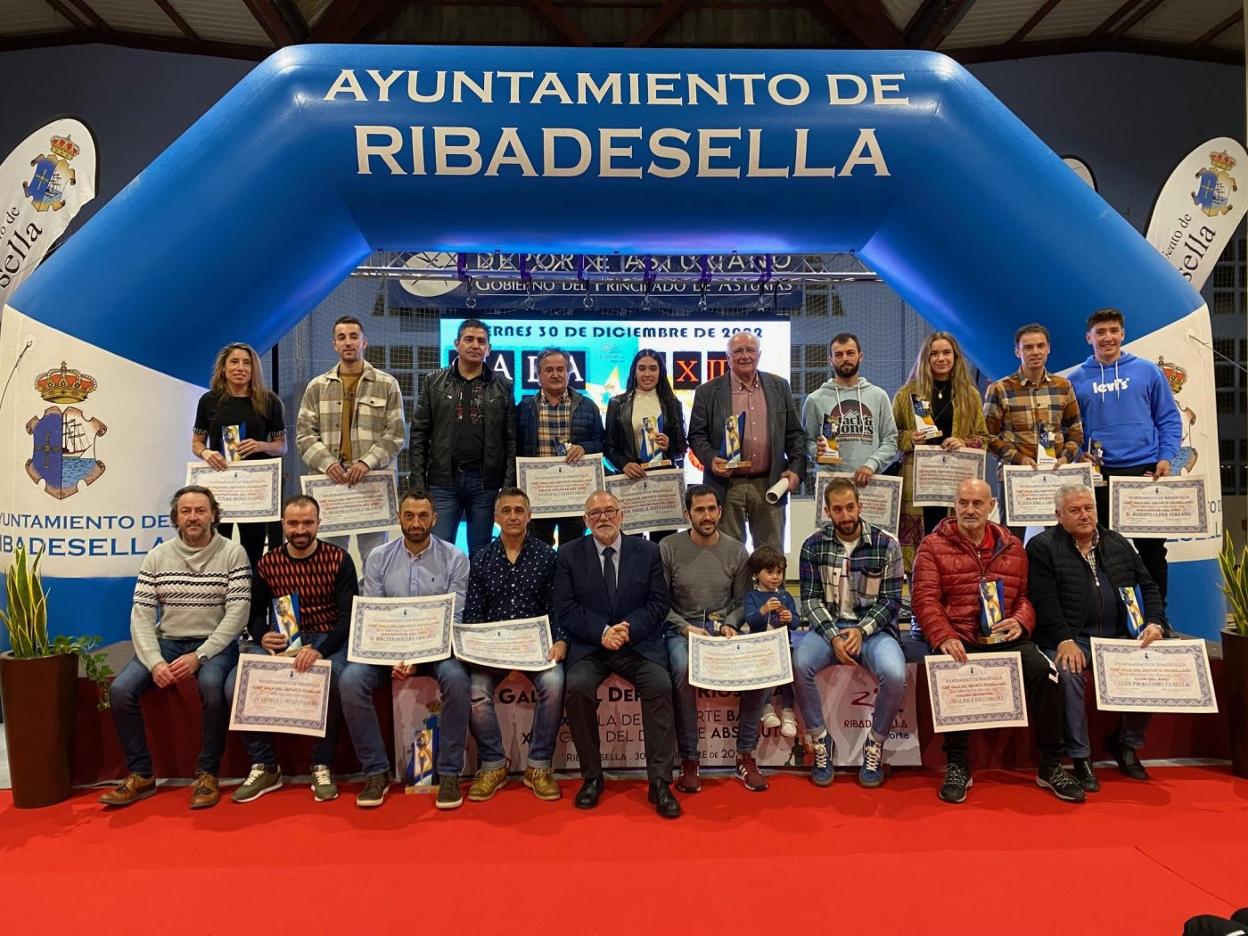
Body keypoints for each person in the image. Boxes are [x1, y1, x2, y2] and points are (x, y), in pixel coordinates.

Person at [911, 478, 1084, 805]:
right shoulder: (932, 546)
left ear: (992, 506)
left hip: (1004, 637)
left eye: (978, 503)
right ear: (954, 505)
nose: (970, 510)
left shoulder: (1012, 545)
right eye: (963, 503)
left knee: (1047, 674)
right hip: (959, 636)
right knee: (952, 671)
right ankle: (958, 763)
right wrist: (944, 635)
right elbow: (925, 600)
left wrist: (1021, 620)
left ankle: (1050, 765)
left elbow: (1025, 597)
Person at [100, 486, 250, 809]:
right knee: (122, 690)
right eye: (186, 511)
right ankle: (141, 774)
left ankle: (208, 773)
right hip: (167, 641)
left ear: (213, 514)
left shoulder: (233, 553)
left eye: (200, 510)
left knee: (212, 687)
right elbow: (140, 615)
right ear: (176, 517)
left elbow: (238, 614)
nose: (193, 517)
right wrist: (154, 662)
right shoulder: (157, 556)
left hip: (215, 644)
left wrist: (200, 656)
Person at [1027, 483, 1168, 790]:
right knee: (1069, 669)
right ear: (1058, 515)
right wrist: (1063, 639)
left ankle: (1126, 743)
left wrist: (1156, 622)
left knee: (1154, 663)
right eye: (1075, 510)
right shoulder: (1042, 546)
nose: (1084, 515)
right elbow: (1043, 600)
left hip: (1119, 637)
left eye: (1088, 508)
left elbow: (1149, 585)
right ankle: (1081, 756)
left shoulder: (1118, 542)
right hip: (1072, 637)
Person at [337, 489, 471, 810]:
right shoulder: (379, 557)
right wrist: (395, 657)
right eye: (409, 515)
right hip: (389, 650)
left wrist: (416, 656)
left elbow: (454, 616)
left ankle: (450, 771)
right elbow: (375, 614)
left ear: (434, 519)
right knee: (350, 681)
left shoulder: (455, 557)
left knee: (457, 679)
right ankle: (376, 772)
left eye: (423, 516)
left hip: (437, 650)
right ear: (398, 517)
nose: (415, 522)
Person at [552, 490, 680, 818]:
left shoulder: (649, 551)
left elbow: (658, 603)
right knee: (577, 688)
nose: (603, 518)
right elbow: (564, 608)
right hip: (591, 646)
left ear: (622, 515)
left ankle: (660, 782)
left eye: (609, 511)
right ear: (585, 521)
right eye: (595, 514)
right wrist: (602, 632)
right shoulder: (567, 554)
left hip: (637, 644)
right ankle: (592, 777)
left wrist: (627, 628)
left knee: (660, 685)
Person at [225, 494, 358, 803]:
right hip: (282, 639)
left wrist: (321, 651)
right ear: (283, 524)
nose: (301, 530)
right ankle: (265, 765)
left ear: (319, 524)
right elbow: (255, 613)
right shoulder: (267, 563)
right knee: (234, 686)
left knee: (335, 680)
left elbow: (349, 615)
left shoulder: (339, 558)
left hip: (328, 638)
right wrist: (261, 638)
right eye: (294, 523)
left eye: (308, 523)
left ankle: (321, 763)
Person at [796, 478, 907, 789]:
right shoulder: (812, 545)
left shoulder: (888, 545)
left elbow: (891, 601)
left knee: (895, 674)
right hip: (828, 627)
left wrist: (861, 630)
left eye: (850, 507)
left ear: (860, 506)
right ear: (827, 511)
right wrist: (833, 635)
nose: (845, 515)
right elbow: (809, 600)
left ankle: (875, 743)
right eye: (837, 509)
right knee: (799, 663)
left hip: (873, 630)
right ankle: (820, 739)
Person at [659, 485, 764, 793]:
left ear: (720, 511)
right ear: (687, 514)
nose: (706, 516)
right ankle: (690, 758)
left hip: (723, 629)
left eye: (711, 509)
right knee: (681, 668)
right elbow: (658, 603)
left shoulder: (737, 550)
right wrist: (684, 628)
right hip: (682, 629)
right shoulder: (668, 547)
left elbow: (744, 600)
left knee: (761, 669)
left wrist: (731, 624)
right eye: (699, 510)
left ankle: (746, 754)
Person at [462, 488, 564, 802]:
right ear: (495, 518)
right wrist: (484, 652)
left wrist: (560, 640)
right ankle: (493, 764)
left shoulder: (547, 555)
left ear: (530, 516)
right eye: (506, 510)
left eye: (519, 510)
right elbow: (473, 613)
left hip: (537, 648)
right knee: (475, 690)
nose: (513, 516)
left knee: (555, 682)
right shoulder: (480, 559)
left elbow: (556, 606)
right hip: (492, 650)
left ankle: (538, 766)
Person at [1074, 307, 1181, 600]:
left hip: (1143, 471)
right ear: (1089, 337)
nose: (1107, 338)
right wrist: (1077, 455)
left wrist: (1165, 457)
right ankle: (1117, 621)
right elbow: (1069, 428)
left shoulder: (1148, 371)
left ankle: (1158, 620)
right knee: (1104, 551)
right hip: (1099, 476)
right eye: (1100, 332)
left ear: (1122, 334)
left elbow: (1169, 419)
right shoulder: (1076, 379)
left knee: (1152, 552)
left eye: (1113, 331)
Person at [295, 315, 405, 569]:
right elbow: (304, 435)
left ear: (364, 342)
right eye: (342, 337)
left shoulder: (387, 384)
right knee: (331, 560)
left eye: (354, 337)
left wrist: (366, 463)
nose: (348, 342)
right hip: (330, 484)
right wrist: (327, 464)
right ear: (334, 344)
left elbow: (396, 434)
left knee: (376, 560)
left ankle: (373, 608)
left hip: (372, 484)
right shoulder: (317, 386)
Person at [687, 331, 806, 551]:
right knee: (727, 554)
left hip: (769, 482)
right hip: (727, 485)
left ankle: (771, 588)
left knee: (771, 553)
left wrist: (796, 469)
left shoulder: (779, 386)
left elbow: (795, 434)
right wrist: (712, 459)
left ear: (759, 354)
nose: (745, 356)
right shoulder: (707, 391)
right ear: (728, 357)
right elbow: (696, 435)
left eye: (750, 350)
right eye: (738, 351)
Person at [410, 318, 516, 558]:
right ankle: (442, 596)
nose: (475, 345)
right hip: (442, 482)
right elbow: (418, 435)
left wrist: (507, 486)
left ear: (488, 349)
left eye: (481, 341)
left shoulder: (503, 386)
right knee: (437, 550)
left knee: (481, 552)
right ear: (457, 344)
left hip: (485, 484)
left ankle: (476, 597)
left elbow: (511, 441)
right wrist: (418, 484)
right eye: (469, 339)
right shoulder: (433, 382)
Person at [893, 332, 989, 568]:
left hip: (954, 481)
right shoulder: (907, 394)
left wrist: (964, 442)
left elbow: (984, 438)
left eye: (946, 353)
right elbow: (890, 437)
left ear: (955, 357)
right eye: (934, 353)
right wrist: (910, 439)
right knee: (919, 549)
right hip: (918, 483)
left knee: (953, 549)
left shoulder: (970, 395)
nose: (940, 358)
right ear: (925, 358)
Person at [191, 342, 286, 568]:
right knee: (216, 548)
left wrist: (261, 445)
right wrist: (205, 453)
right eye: (234, 362)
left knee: (252, 551)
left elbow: (282, 447)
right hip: (221, 487)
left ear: (254, 369)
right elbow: (196, 442)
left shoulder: (269, 401)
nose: (240, 367)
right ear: (223, 368)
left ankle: (252, 601)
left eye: (246, 363)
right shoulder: (208, 401)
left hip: (255, 489)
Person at [983, 324, 1083, 535]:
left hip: (1055, 475)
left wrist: (1065, 457)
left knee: (1061, 541)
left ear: (1049, 349)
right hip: (1015, 477)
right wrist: (1019, 459)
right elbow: (987, 435)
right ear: (1017, 351)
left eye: (1040, 346)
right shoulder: (1000, 389)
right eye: (1028, 347)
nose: (1035, 352)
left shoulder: (1063, 386)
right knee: (1011, 542)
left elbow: (1075, 430)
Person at [515, 347, 605, 547]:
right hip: (538, 496)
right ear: (538, 375)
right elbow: (515, 450)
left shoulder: (588, 406)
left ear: (569, 373)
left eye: (561, 369)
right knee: (538, 552)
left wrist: (584, 447)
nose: (555, 374)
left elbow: (601, 443)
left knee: (574, 553)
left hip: (575, 494)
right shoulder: (523, 408)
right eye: (549, 370)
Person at [604, 348, 688, 542]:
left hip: (662, 483)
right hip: (630, 480)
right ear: (634, 371)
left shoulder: (672, 403)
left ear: (661, 372)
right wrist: (624, 464)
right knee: (631, 545)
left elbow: (682, 448)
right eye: (642, 368)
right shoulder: (617, 403)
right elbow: (609, 446)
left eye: (653, 368)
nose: (647, 374)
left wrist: (669, 446)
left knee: (664, 543)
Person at [801, 333, 899, 487]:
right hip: (830, 483)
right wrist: (816, 452)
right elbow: (807, 441)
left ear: (860, 357)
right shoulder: (815, 399)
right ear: (830, 360)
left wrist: (870, 465)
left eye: (850, 353)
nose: (845, 358)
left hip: (869, 482)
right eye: (838, 354)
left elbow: (891, 441)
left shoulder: (879, 396)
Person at [745, 546, 801, 738]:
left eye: (779, 572)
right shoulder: (752, 596)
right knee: (766, 677)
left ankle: (788, 711)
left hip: (783, 646)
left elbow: (796, 622)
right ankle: (766, 707)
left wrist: (788, 618)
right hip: (761, 648)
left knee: (789, 676)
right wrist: (764, 609)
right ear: (755, 574)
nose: (775, 577)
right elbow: (751, 620)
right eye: (769, 572)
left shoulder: (785, 595)